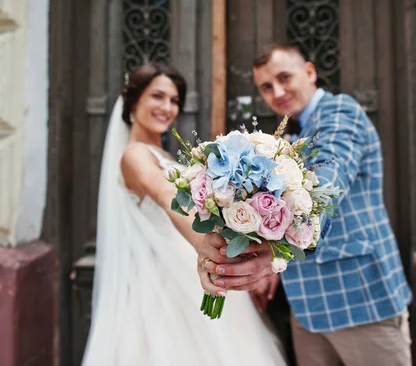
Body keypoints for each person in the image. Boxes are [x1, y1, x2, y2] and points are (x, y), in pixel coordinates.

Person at [197, 44, 413, 366]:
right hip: (307, 307)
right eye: (266, 87)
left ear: (310, 72)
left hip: (361, 299)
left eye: (285, 77)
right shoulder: (294, 134)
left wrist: (270, 254)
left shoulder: (340, 112)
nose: (278, 92)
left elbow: (329, 186)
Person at [82, 63, 286, 366]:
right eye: (158, 96)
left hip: (194, 272)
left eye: (174, 100)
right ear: (133, 101)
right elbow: (166, 196)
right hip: (168, 284)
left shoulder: (167, 157)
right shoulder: (135, 155)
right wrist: (206, 249)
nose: (167, 107)